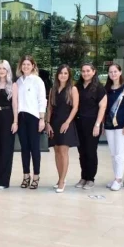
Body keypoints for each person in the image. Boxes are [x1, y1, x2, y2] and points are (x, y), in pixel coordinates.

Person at [46, 65, 79, 193]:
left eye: (66, 73)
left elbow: (75, 107)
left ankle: (62, 181)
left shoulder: (72, 89)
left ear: (69, 75)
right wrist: (47, 123)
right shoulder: (53, 89)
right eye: (61, 73)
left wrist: (67, 122)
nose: (63, 75)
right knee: (57, 151)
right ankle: (60, 178)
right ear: (57, 75)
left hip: (66, 122)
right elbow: (50, 107)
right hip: (54, 122)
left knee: (63, 151)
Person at [16, 55, 47, 190]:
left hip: (34, 117)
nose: (26, 66)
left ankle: (36, 176)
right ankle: (26, 176)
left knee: (35, 148)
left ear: (33, 66)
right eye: (24, 64)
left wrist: (42, 119)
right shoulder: (18, 82)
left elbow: (42, 100)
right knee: (24, 148)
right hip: (21, 117)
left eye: (28, 64)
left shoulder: (37, 80)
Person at [74, 63, 107, 190]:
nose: (85, 73)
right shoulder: (78, 86)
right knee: (81, 152)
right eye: (83, 71)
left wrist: (97, 124)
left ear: (94, 72)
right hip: (79, 123)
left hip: (93, 124)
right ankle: (83, 177)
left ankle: (90, 179)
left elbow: (102, 107)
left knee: (91, 151)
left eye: (88, 71)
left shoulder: (99, 88)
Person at [104, 63, 124, 191]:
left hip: (123, 126)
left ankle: (118, 179)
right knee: (113, 153)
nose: (113, 74)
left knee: (119, 153)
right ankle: (117, 178)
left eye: (115, 71)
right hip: (109, 125)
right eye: (110, 72)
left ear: (120, 72)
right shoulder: (107, 88)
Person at [0, 60, 18, 190]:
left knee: (6, 149)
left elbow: (15, 104)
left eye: (4, 68)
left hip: (8, 117)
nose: (1, 71)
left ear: (8, 70)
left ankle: (4, 180)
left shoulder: (13, 85)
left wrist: (15, 121)